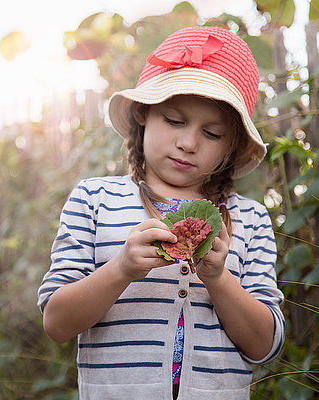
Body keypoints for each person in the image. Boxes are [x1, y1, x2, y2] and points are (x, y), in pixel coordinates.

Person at [37, 26, 284, 400]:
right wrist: (122, 268)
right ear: (143, 112)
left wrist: (218, 277)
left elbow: (265, 346)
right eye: (174, 120)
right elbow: (56, 323)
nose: (188, 143)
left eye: (213, 133)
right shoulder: (94, 199)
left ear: (232, 146)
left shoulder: (250, 220)